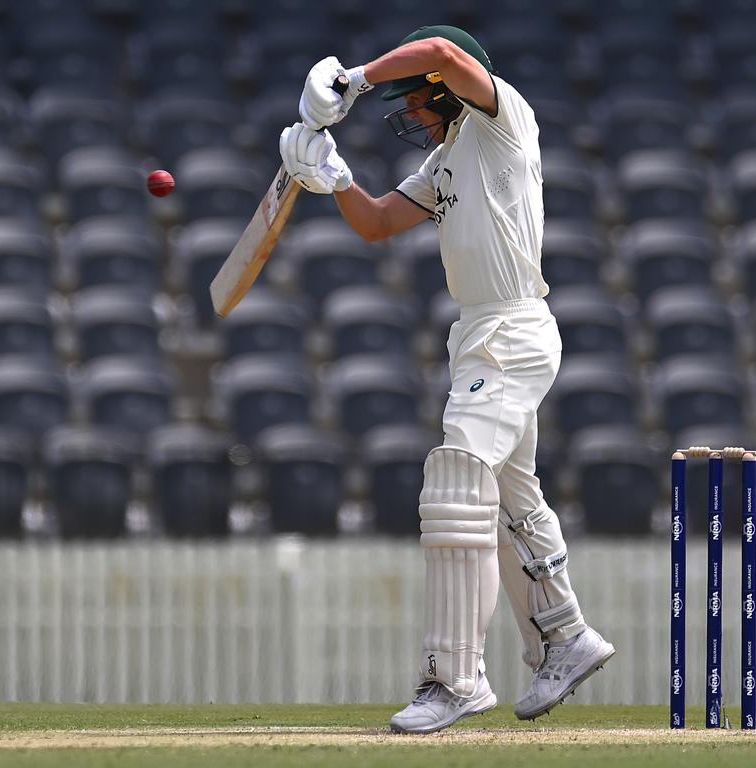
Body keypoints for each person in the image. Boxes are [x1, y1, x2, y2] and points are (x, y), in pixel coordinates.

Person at [278, 25, 616, 734]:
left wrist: (356, 78)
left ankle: (455, 677)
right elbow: (374, 223)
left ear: (444, 91)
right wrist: (331, 177)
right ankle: (564, 634)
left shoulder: (503, 118)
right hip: (480, 337)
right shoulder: (443, 161)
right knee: (502, 497)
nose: (413, 113)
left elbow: (441, 50)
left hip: (513, 329)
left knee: (457, 478)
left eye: (417, 102)